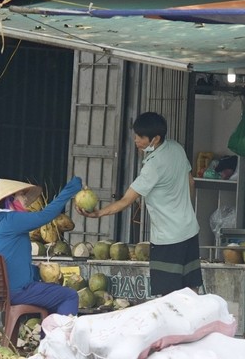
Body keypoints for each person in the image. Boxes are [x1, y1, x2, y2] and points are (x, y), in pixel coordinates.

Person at [75, 112, 203, 296]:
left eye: (140, 137)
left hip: (168, 239)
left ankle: (171, 325)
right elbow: (191, 182)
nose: (135, 140)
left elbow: (127, 200)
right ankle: (192, 323)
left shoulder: (152, 167)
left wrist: (98, 213)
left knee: (168, 294)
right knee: (191, 288)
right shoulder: (176, 148)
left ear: (155, 139)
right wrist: (183, 209)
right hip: (190, 230)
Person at [0, 176, 82, 315]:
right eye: (22, 195)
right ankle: (59, 336)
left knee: (52, 295)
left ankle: (49, 335)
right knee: (69, 296)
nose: (25, 200)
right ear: (10, 199)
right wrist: (72, 188)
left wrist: (35, 270)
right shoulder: (12, 220)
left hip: (2, 291)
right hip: (17, 291)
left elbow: (11, 260)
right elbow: (46, 215)